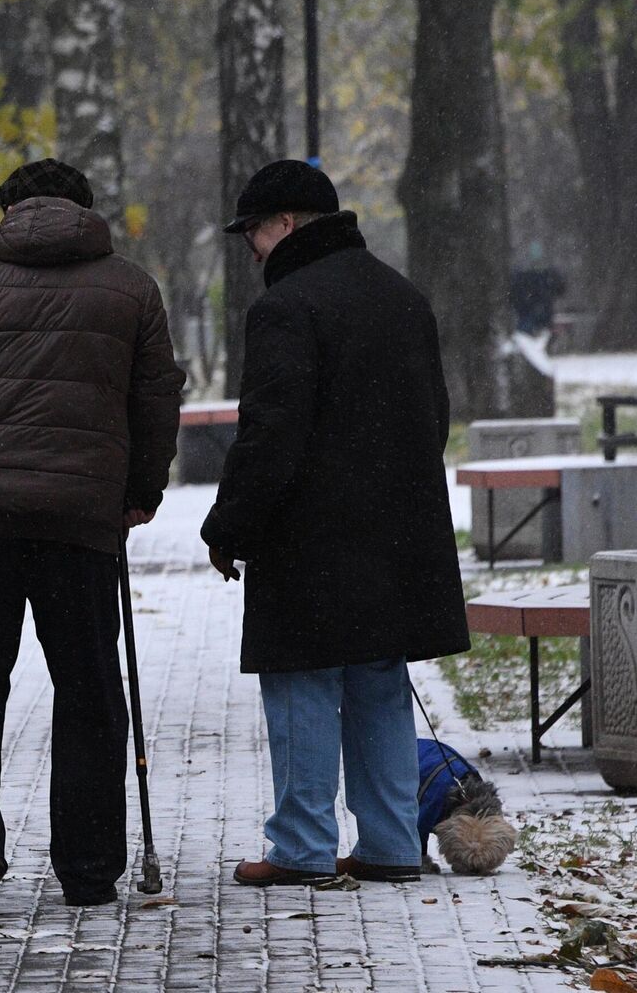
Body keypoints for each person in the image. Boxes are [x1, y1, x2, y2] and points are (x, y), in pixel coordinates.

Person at [0, 158, 185, 913]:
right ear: (86, 209)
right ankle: (86, 869)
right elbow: (156, 401)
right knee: (88, 692)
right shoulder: (131, 287)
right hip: (80, 520)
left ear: (7, 211)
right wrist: (140, 492)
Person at [201, 160, 469, 887]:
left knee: (301, 684)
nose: (252, 248)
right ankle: (389, 843)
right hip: (395, 528)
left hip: (311, 536)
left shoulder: (287, 308)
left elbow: (270, 434)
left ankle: (301, 846)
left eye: (253, 232)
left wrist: (229, 524)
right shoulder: (402, 296)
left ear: (285, 224)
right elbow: (434, 416)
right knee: (380, 679)